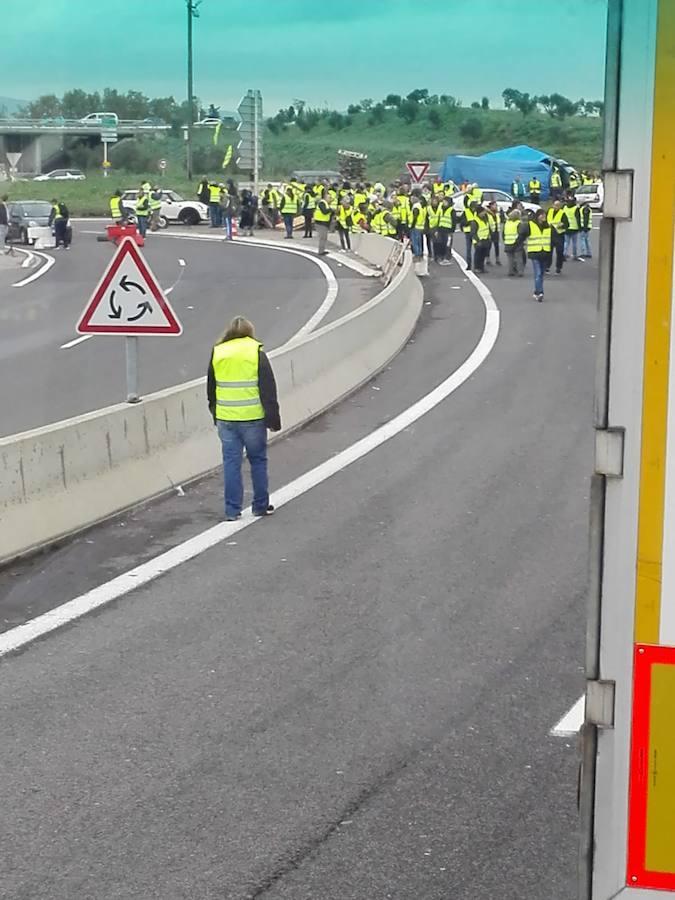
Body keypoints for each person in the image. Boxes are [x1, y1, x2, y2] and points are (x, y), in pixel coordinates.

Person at [207, 316, 281, 521]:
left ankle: (232, 510)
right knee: (258, 461)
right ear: (250, 331)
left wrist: (215, 412)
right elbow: (268, 388)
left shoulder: (218, 352)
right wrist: (273, 418)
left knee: (231, 463)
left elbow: (211, 388)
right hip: (253, 418)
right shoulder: (256, 352)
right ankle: (260, 505)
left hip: (226, 419)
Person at [523, 208, 552, 301]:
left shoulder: (548, 226)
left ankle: (536, 291)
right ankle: (540, 293)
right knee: (538, 273)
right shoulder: (530, 225)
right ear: (537, 216)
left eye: (545, 215)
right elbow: (522, 235)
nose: (544, 217)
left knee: (541, 274)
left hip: (545, 253)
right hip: (534, 252)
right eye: (542, 215)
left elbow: (552, 239)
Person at [546, 201, 567, 274]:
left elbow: (566, 224)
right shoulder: (549, 211)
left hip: (559, 235)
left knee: (559, 252)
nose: (556, 207)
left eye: (557, 205)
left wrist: (560, 225)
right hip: (550, 234)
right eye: (555, 205)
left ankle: (558, 268)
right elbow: (545, 220)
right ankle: (547, 267)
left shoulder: (562, 213)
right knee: (548, 252)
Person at [503, 209, 525, 276]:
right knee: (518, 258)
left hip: (508, 242)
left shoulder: (507, 223)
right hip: (516, 243)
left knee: (510, 259)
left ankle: (510, 271)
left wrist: (505, 240)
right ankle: (520, 272)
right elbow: (521, 233)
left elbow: (503, 233)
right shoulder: (519, 223)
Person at [471, 206, 491, 274]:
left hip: (485, 239)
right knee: (478, 255)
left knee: (483, 255)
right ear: (479, 213)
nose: (484, 213)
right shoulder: (475, 221)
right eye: (483, 212)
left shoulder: (485, 219)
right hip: (478, 241)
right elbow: (473, 232)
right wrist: (477, 240)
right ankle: (477, 268)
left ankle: (482, 268)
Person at [314, 187, 332, 255]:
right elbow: (324, 211)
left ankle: (322, 250)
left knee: (324, 237)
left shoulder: (326, 204)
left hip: (324, 223)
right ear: (325, 197)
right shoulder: (322, 203)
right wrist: (330, 210)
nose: (330, 199)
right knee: (323, 237)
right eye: (329, 198)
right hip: (320, 223)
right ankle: (321, 251)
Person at [486, 201, 502, 266]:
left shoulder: (497, 214)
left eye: (496, 205)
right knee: (488, 246)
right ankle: (488, 259)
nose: (495, 207)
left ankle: (497, 259)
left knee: (496, 246)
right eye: (494, 205)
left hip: (496, 231)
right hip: (490, 231)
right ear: (491, 206)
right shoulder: (488, 214)